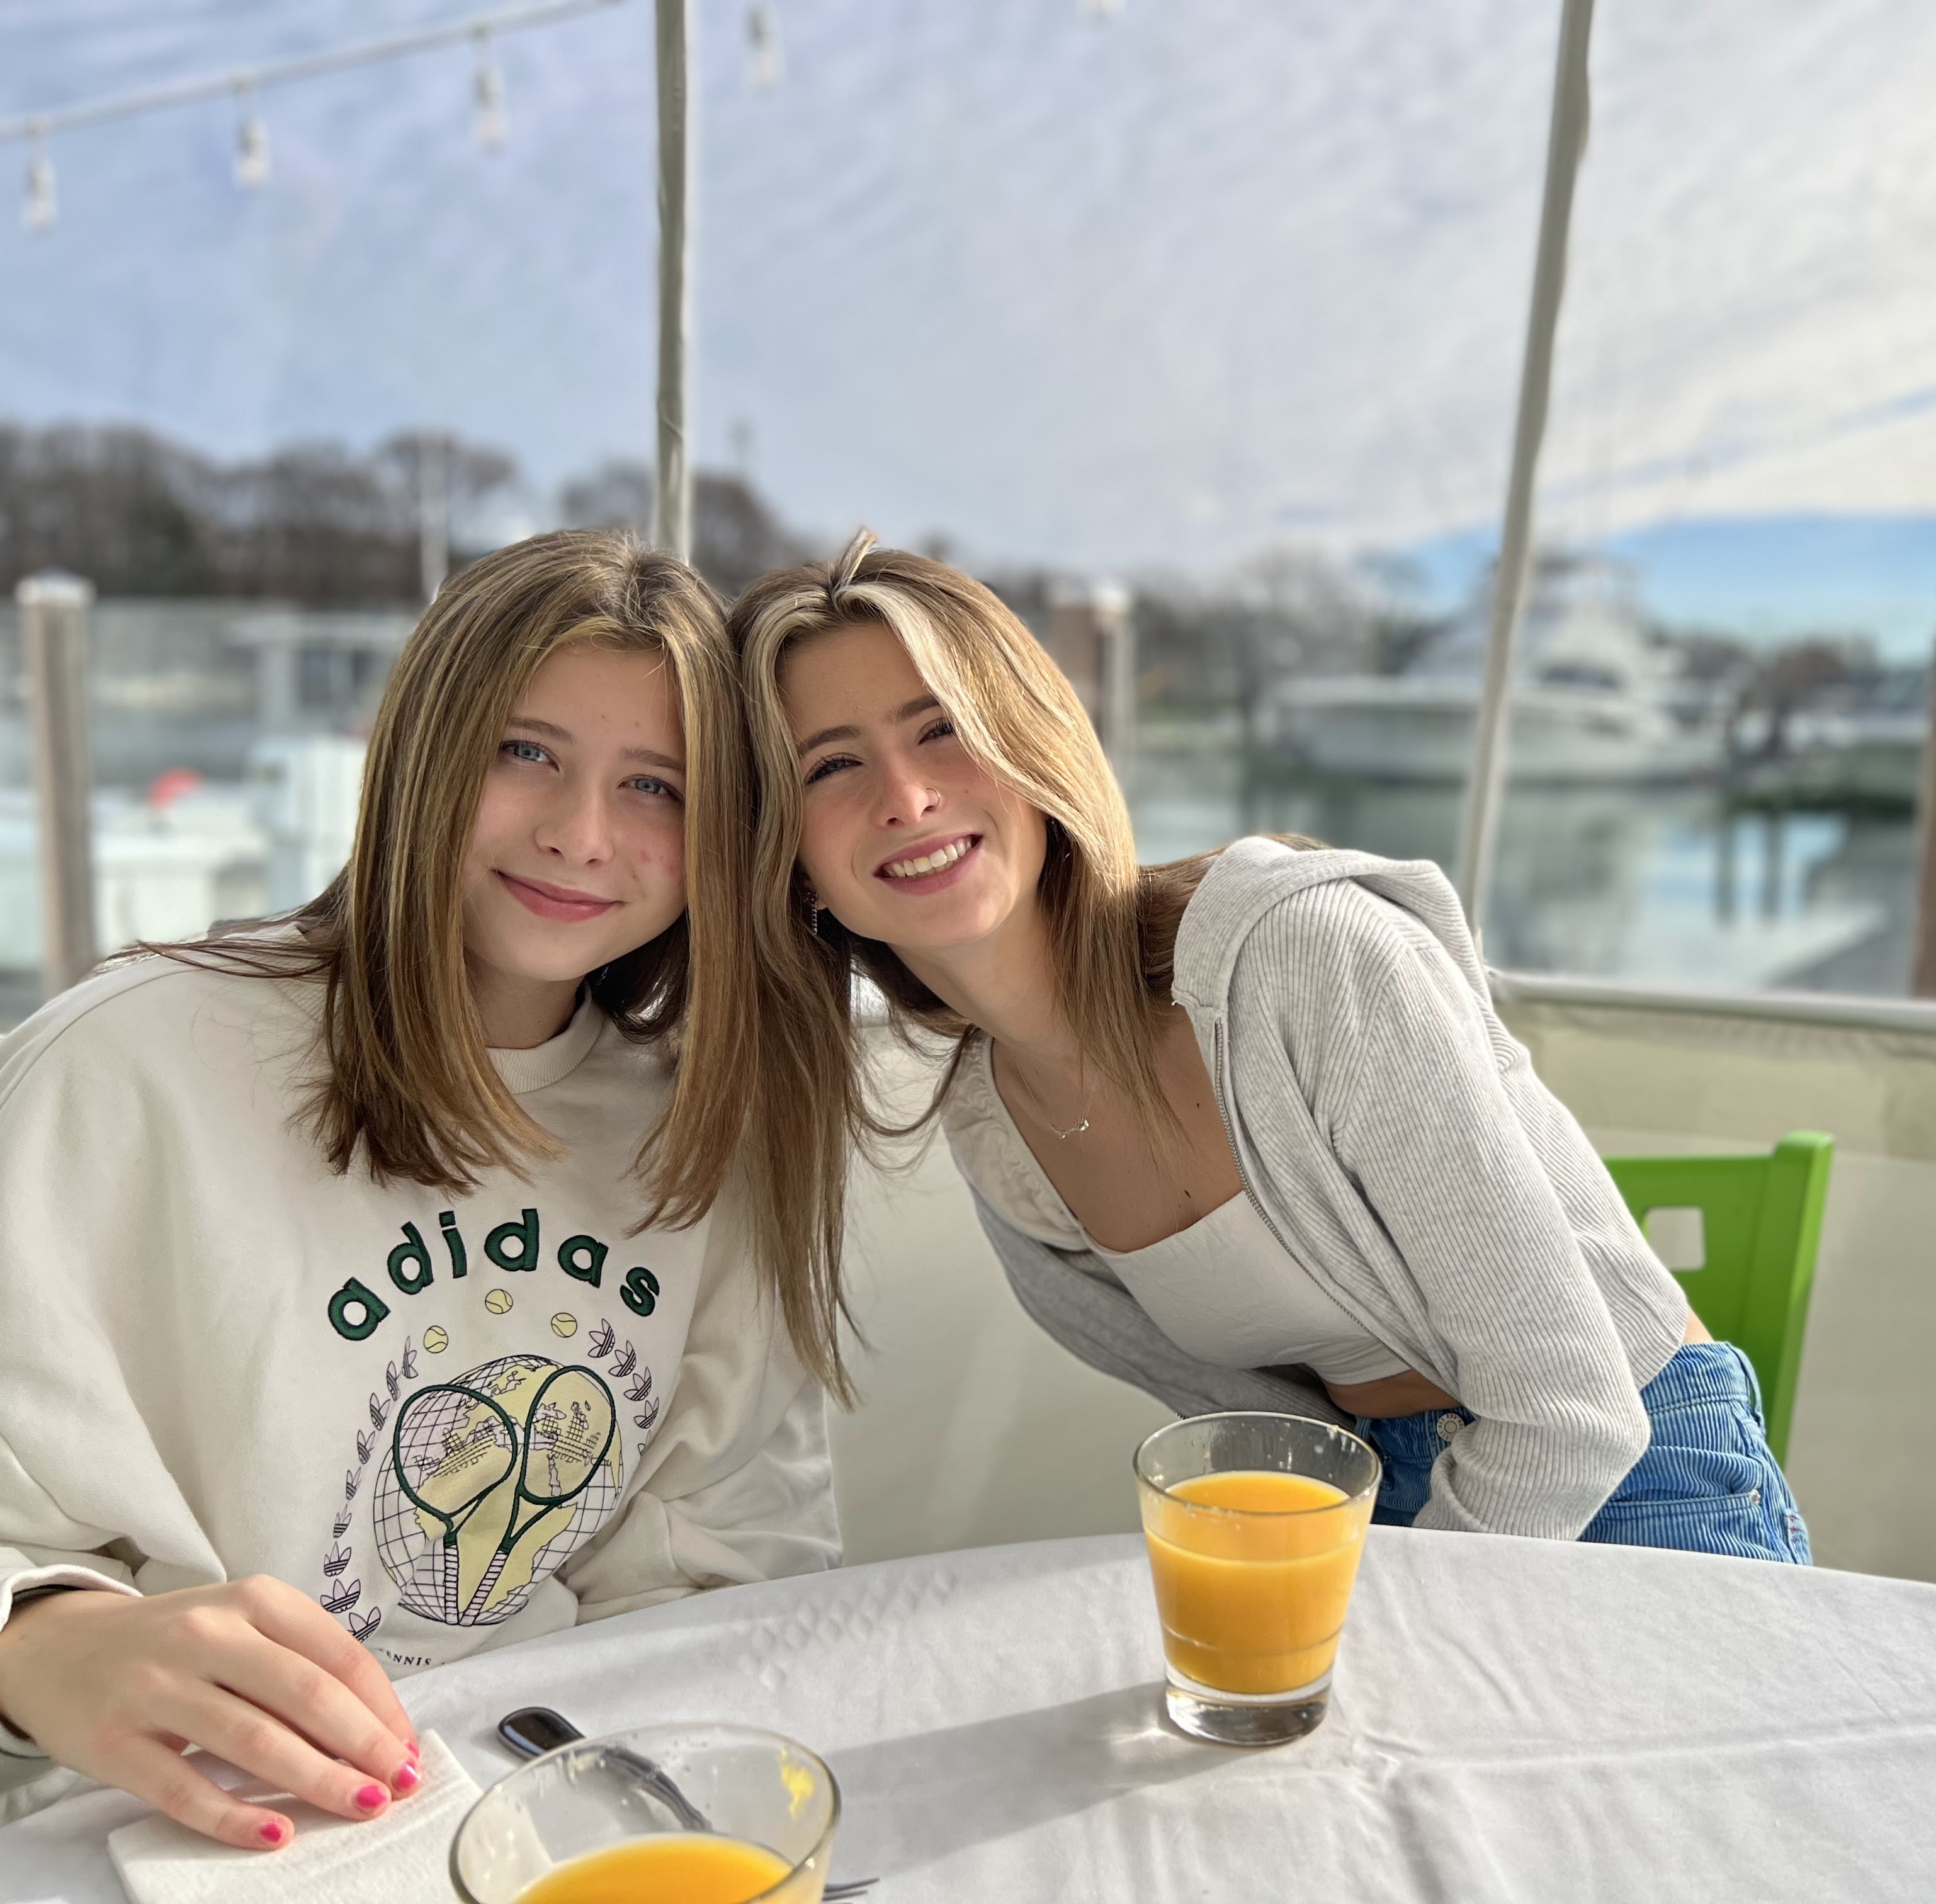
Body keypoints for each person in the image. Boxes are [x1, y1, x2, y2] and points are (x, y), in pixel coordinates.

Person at [0, 531, 846, 1847]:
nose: (579, 835)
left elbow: (729, 1569)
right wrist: (43, 1641)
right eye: (525, 753)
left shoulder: (697, 1129)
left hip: (545, 1799)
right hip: (168, 1826)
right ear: (419, 753)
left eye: (657, 788)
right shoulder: (126, 1065)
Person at [728, 534, 1809, 1561]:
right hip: (1380, 1500)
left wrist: (1380, 1620)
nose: (907, 797)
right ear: (793, 863)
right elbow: (1257, 1432)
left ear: (1034, 747)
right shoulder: (992, 1130)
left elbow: (1571, 1414)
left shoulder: (1304, 957)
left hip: (1640, 1477)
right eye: (832, 766)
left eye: (941, 729)